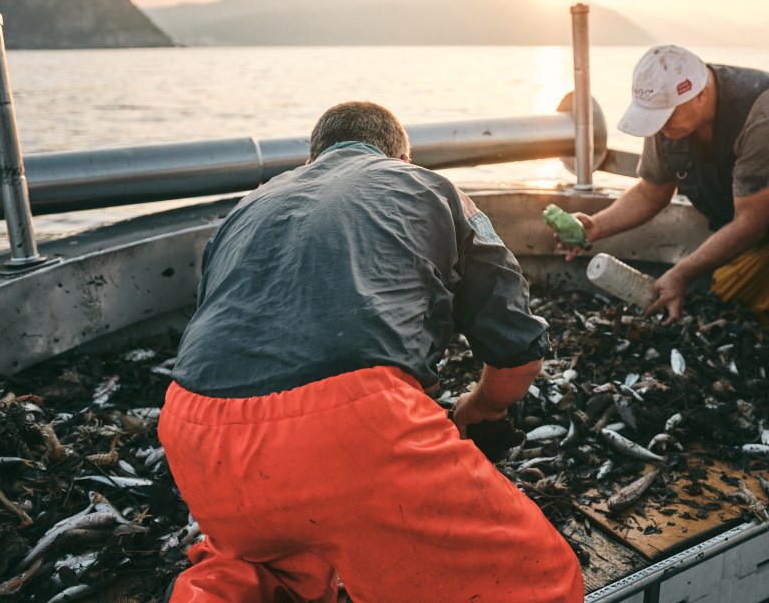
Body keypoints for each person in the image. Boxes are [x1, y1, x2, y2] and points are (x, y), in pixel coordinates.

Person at [158, 101, 583, 602]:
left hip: (194, 437)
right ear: (401, 156)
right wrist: (480, 408)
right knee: (541, 581)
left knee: (272, 562)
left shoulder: (250, 206)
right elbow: (517, 350)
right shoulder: (430, 187)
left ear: (314, 157)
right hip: (349, 429)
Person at [560, 45, 769, 434]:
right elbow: (650, 192)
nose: (660, 126)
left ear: (699, 93)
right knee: (730, 303)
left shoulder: (767, 109)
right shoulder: (670, 124)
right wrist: (595, 227)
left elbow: (750, 225)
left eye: (665, 116)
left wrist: (680, 274)